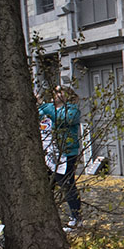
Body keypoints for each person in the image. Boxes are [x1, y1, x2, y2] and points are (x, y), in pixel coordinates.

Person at [38, 86, 82, 229]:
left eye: (59, 91)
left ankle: (76, 217)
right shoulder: (47, 108)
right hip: (49, 152)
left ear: (67, 95)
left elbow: (64, 119)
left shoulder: (72, 110)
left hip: (66, 153)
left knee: (67, 184)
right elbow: (37, 117)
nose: (56, 94)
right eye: (55, 91)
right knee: (46, 184)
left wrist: (44, 106)